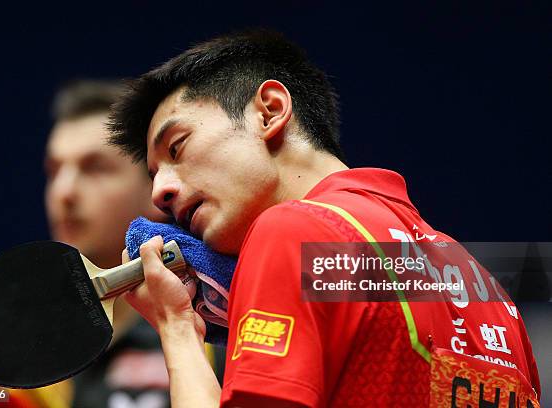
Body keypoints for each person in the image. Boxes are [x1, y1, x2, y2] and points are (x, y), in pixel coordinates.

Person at [108, 30, 541, 407]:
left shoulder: (292, 234)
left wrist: (178, 326)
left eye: (178, 148)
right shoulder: (487, 290)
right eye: (155, 173)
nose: (159, 193)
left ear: (270, 110)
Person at [44, 80, 172, 408]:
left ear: (155, 185)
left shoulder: (210, 332)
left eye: (94, 168)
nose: (64, 192)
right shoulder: (26, 342)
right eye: (54, 171)